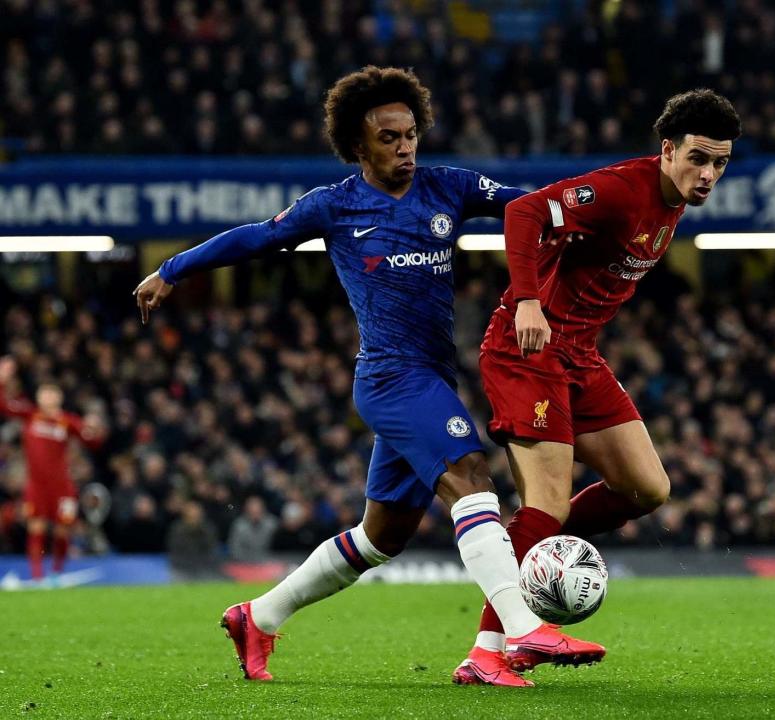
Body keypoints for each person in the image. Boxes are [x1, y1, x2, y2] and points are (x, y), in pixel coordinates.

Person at [133, 66, 601, 687]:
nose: (405, 147)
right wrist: (174, 268)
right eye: (389, 137)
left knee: (381, 537)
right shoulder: (334, 206)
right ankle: (518, 629)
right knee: (471, 475)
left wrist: (599, 213)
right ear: (359, 146)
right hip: (389, 378)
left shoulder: (448, 188)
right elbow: (256, 238)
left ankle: (259, 615)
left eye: (410, 134)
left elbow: (529, 203)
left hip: (432, 377)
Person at [461, 89, 742, 670]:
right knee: (546, 503)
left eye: (720, 163)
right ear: (667, 150)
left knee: (646, 488)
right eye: (699, 158)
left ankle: (544, 555)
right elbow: (523, 212)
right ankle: (491, 650)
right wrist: (527, 302)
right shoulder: (621, 190)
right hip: (526, 350)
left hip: (579, 357)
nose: (709, 173)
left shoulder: (673, 205)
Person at [0, 356, 105, 581]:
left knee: (62, 531)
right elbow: (3, 405)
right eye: (44, 393)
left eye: (52, 393)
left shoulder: (67, 421)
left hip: (62, 486)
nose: (48, 397)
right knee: (36, 529)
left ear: (59, 397)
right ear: (38, 397)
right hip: (37, 485)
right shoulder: (29, 415)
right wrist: (2, 379)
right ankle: (37, 577)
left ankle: (56, 574)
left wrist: (95, 429)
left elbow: (93, 442)